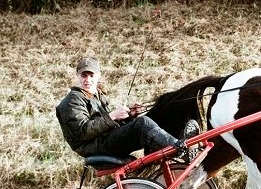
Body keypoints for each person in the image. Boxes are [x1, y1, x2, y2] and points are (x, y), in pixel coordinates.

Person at [56, 56, 199, 161]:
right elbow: (82, 132)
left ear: (98, 76)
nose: (87, 80)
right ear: (77, 76)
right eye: (84, 75)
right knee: (142, 123)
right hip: (95, 147)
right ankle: (180, 149)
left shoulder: (96, 95)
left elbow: (105, 126)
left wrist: (129, 115)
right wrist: (112, 116)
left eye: (91, 75)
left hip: (103, 141)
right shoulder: (73, 100)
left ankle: (179, 145)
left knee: (149, 119)